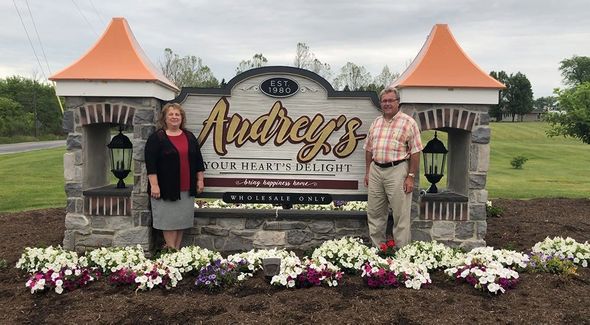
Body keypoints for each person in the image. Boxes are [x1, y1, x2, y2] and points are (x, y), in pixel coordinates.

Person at [363, 87, 423, 248]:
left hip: (398, 170)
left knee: (400, 214)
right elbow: (369, 149)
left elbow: (416, 151)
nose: (387, 104)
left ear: (398, 102)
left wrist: (411, 176)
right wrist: (368, 171)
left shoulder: (408, 122)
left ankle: (401, 253)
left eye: (390, 100)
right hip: (376, 170)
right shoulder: (376, 122)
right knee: (375, 213)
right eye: (384, 101)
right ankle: (378, 250)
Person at [145, 103, 205, 250]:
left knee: (180, 222)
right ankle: (172, 252)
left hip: (186, 187)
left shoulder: (189, 136)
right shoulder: (157, 138)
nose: (174, 117)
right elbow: (150, 163)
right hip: (166, 188)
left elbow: (198, 160)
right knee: (169, 222)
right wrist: (154, 185)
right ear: (164, 118)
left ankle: (175, 252)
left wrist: (200, 180)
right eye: (170, 114)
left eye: (177, 114)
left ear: (182, 117)